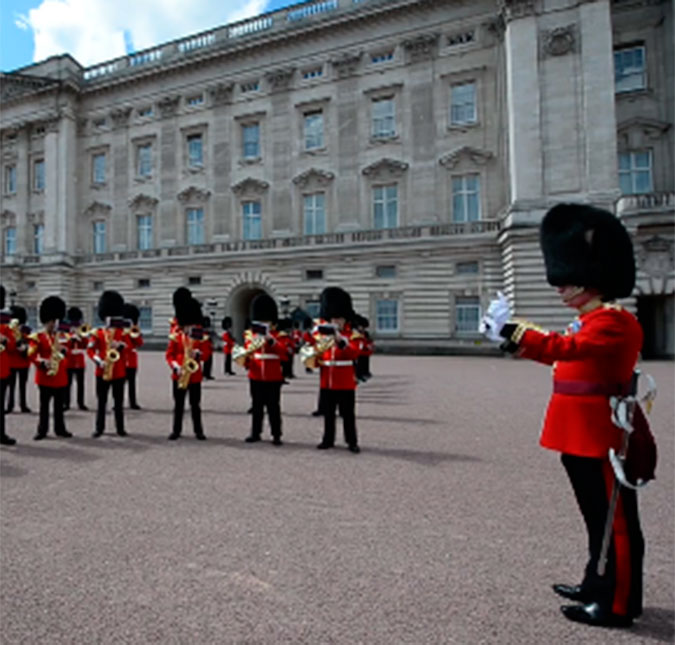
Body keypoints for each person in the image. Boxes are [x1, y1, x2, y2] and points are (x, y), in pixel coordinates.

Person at [480, 203, 645, 629]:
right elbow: (561, 359)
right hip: (577, 433)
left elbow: (565, 350)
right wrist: (512, 340)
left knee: (616, 524)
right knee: (596, 519)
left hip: (601, 434)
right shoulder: (588, 321)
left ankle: (619, 603)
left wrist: (513, 329)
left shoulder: (613, 321)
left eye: (566, 281)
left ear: (589, 279)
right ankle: (597, 582)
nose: (560, 289)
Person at [314, 287, 363, 454]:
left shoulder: (353, 336)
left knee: (348, 414)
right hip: (327, 379)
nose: (336, 321)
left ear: (345, 319)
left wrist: (340, 340)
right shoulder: (323, 335)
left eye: (339, 319)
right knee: (329, 414)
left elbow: (353, 352)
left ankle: (352, 441)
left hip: (345, 381)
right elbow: (318, 354)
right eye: (334, 318)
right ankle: (328, 439)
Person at [27, 296, 72, 440]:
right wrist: (41, 362)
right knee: (44, 407)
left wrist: (64, 351)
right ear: (46, 321)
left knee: (59, 407)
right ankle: (42, 430)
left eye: (55, 321)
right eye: (51, 322)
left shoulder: (63, 336)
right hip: (45, 375)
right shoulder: (38, 337)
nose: (53, 324)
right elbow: (31, 354)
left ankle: (60, 429)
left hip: (60, 376)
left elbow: (70, 351)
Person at [243, 294, 285, 445]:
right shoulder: (250, 335)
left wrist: (271, 340)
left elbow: (284, 353)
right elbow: (248, 353)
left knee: (273, 407)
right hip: (255, 374)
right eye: (260, 321)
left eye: (265, 321)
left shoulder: (279, 336)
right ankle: (255, 433)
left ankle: (276, 434)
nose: (262, 323)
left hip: (273, 376)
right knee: (257, 406)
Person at [87, 290, 129, 437]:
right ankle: (99, 428)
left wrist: (121, 346)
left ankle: (120, 428)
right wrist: (98, 361)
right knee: (101, 402)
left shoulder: (122, 333)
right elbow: (90, 350)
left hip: (119, 372)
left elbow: (131, 346)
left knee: (118, 403)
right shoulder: (97, 333)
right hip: (102, 370)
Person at [166, 297, 206, 440]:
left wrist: (199, 354)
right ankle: (176, 430)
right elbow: (169, 354)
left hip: (195, 375)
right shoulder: (176, 336)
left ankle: (198, 431)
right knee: (178, 405)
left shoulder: (199, 335)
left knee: (195, 405)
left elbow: (206, 353)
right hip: (179, 374)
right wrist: (175, 365)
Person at [5, 304, 32, 413]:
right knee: (11, 386)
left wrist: (26, 347)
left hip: (23, 361)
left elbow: (30, 342)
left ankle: (23, 404)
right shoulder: (9, 329)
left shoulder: (26, 330)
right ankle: (10, 405)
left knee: (22, 385)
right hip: (12, 360)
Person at [0, 285, 18, 445]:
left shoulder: (6, 326)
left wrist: (5, 340)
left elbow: (13, 347)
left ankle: (1, 433)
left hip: (2, 369)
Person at [64, 306, 89, 411]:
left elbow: (86, 345)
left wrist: (80, 338)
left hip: (79, 360)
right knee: (67, 384)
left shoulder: (81, 331)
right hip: (69, 360)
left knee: (81, 384)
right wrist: (71, 339)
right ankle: (66, 403)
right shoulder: (65, 331)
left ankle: (81, 402)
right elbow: (63, 345)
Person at [123, 303, 143, 409]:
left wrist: (134, 332)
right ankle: (119, 401)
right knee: (119, 384)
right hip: (121, 359)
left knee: (132, 383)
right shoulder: (119, 330)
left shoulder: (134, 330)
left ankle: (133, 402)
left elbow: (139, 343)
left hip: (131, 360)